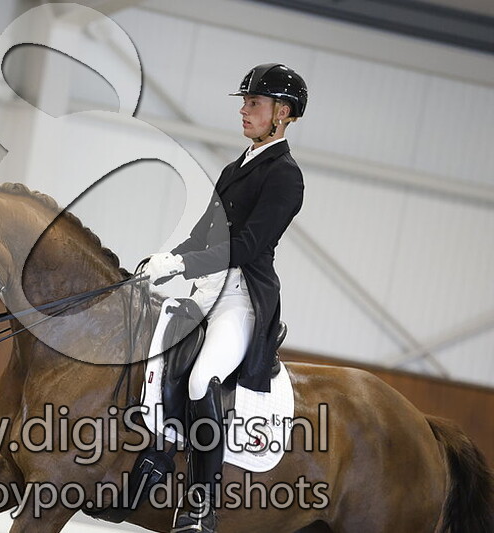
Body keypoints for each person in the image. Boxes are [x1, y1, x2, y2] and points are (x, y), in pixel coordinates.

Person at [144, 63, 307, 533]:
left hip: (241, 298)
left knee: (202, 380)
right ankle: (158, 453)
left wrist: (183, 266)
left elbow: (249, 245)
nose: (244, 110)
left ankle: (202, 504)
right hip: (206, 291)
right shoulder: (235, 169)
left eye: (254, 103)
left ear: (282, 113)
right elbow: (205, 233)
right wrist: (167, 258)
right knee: (150, 353)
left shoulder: (285, 176)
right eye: (245, 102)